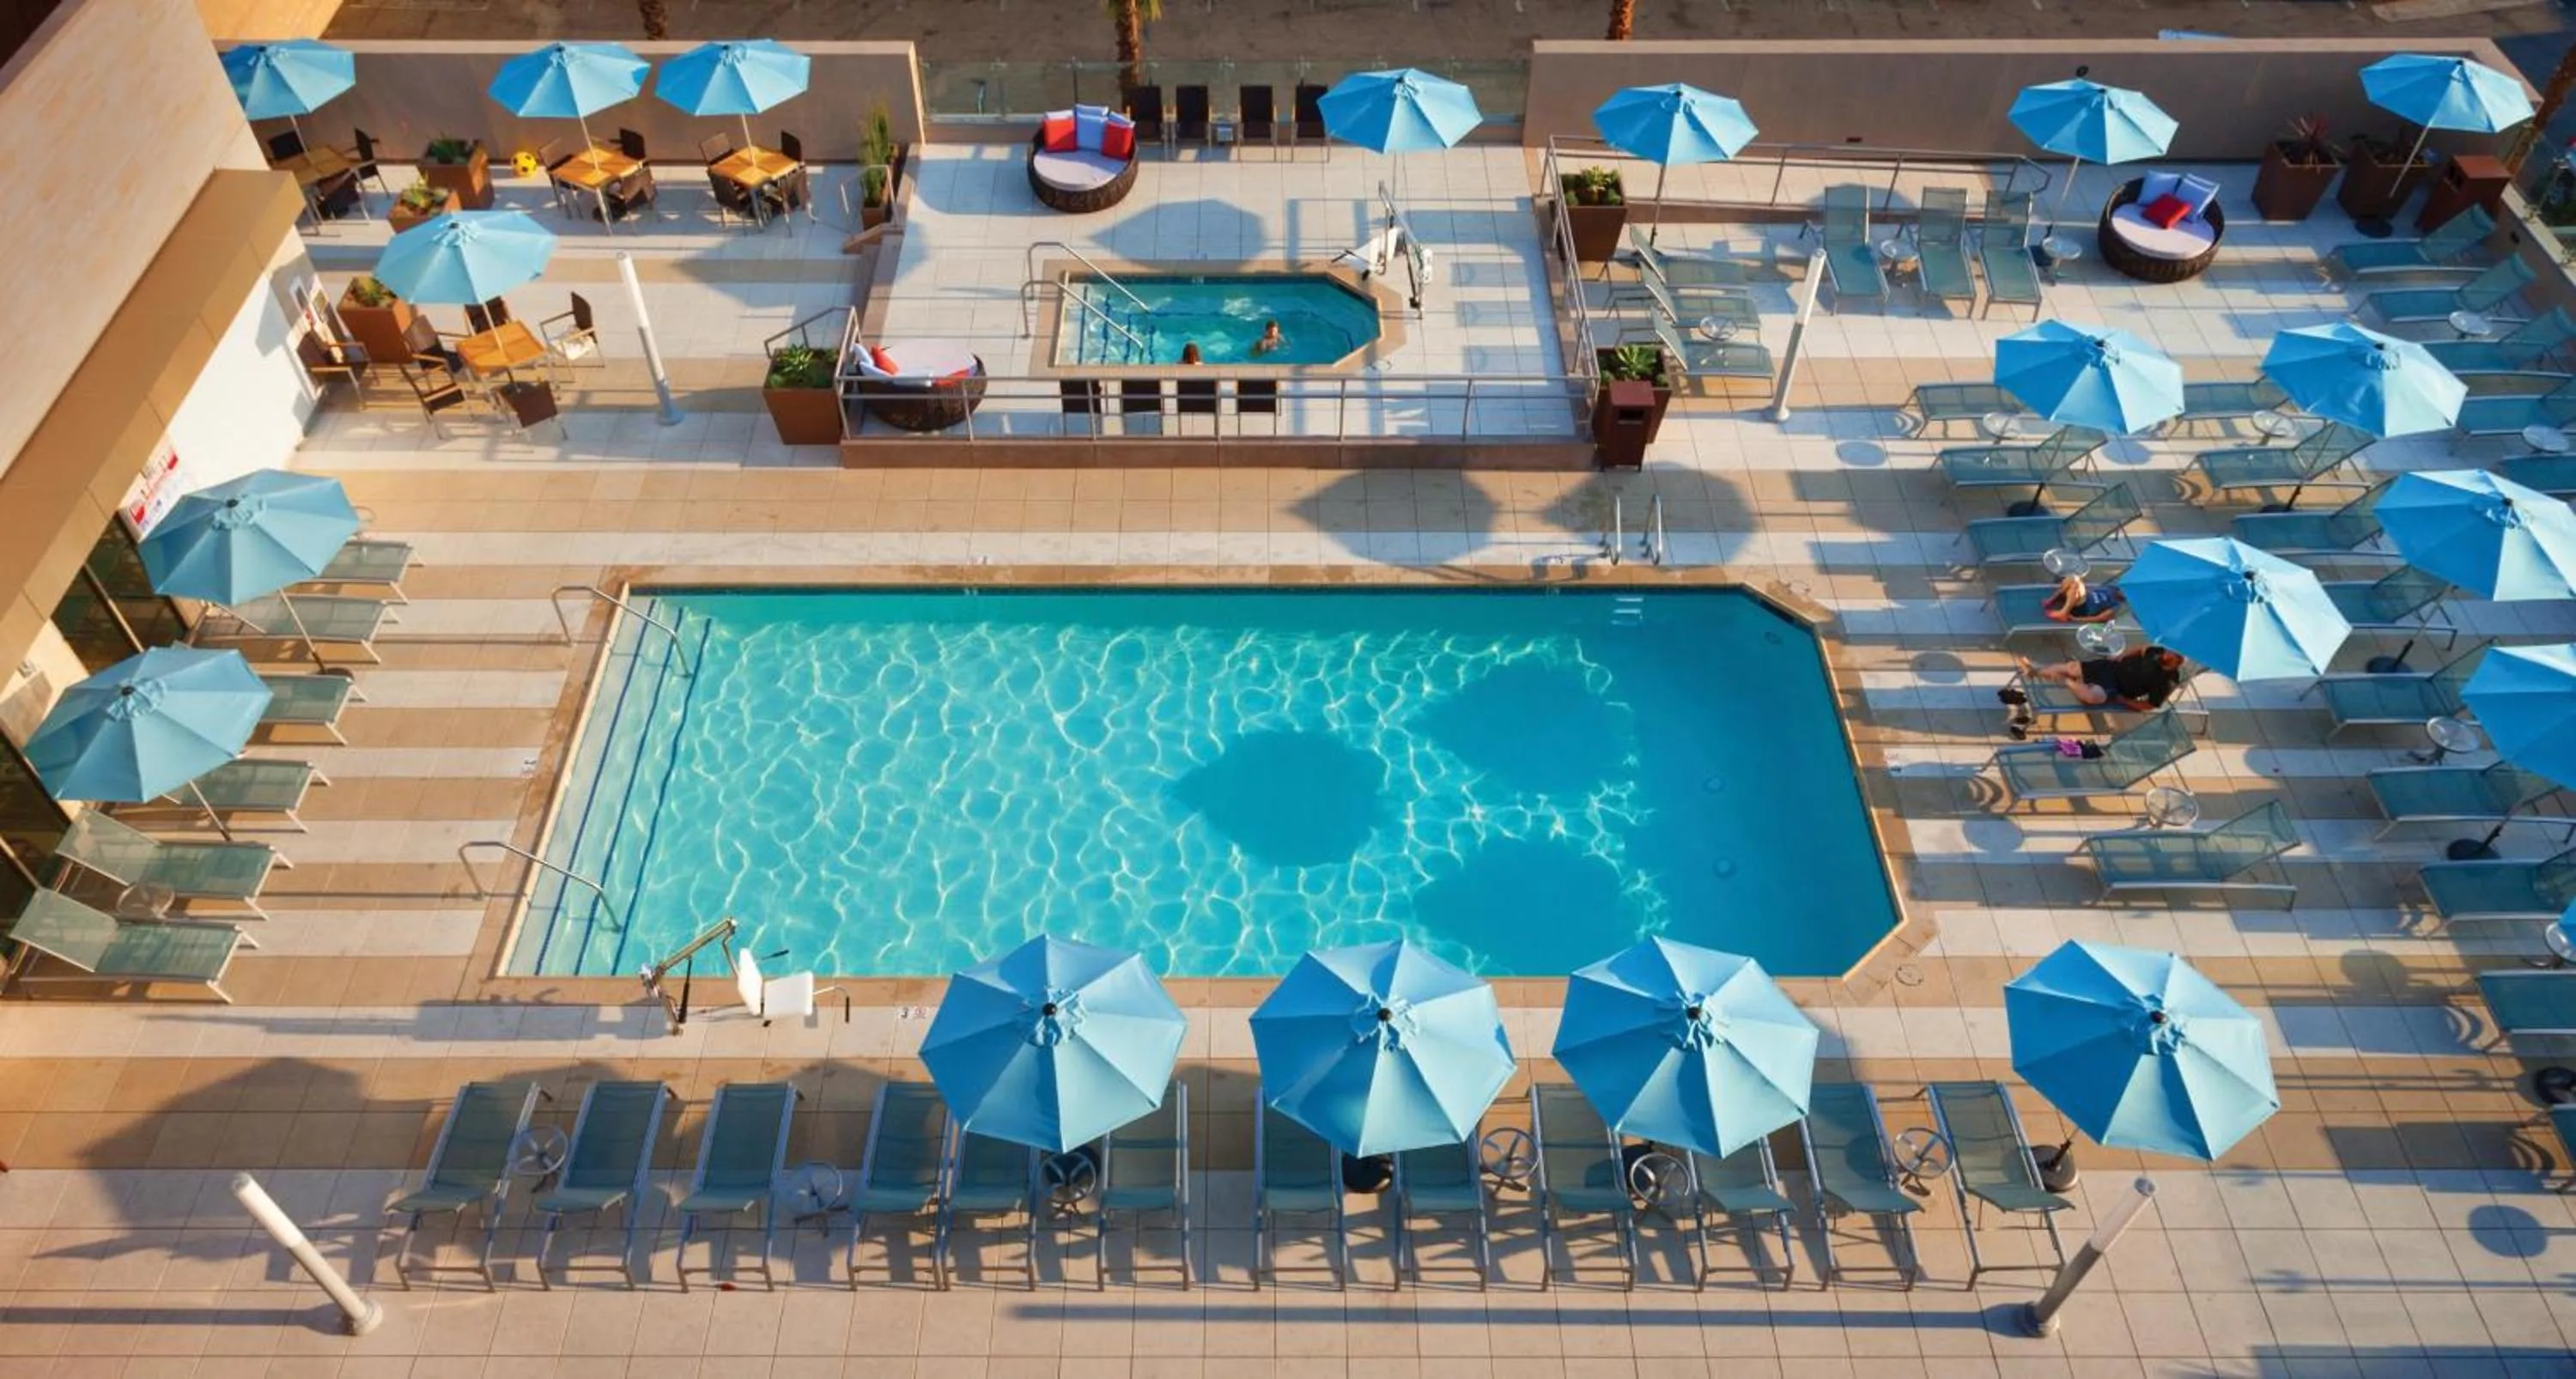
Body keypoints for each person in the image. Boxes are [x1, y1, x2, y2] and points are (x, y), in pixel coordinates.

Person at [2016, 645, 2184, 711]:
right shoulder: (2158, 652)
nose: (2167, 652)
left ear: (2178, 660)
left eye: (2172, 653)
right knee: (2072, 667)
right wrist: (2121, 656)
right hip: (2111, 667)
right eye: (2169, 650)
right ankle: (2035, 671)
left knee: (2094, 697)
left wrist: (2125, 701)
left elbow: (2150, 705)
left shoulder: (2168, 681)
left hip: (2117, 687)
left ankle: (2065, 681)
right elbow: (2141, 649)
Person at [2040, 572, 2124, 623]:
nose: (2123, 591)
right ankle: (2053, 600)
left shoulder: (2116, 605)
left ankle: (2063, 613)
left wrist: (2074, 619)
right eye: (2124, 589)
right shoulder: (2112, 588)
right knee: (2073, 578)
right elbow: (2092, 590)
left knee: (2075, 582)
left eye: (2125, 593)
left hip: (2083, 608)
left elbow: (2098, 618)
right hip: (2079, 598)